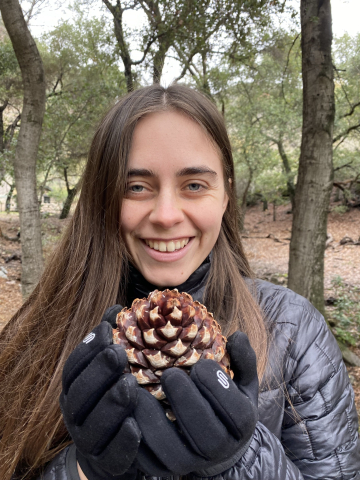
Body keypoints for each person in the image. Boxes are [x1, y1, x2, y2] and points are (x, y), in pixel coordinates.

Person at [0, 84, 359, 480]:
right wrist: (78, 471)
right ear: (102, 197)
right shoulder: (39, 331)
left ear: (225, 195)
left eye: (194, 185)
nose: (167, 215)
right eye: (136, 187)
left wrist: (240, 460)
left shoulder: (294, 330)